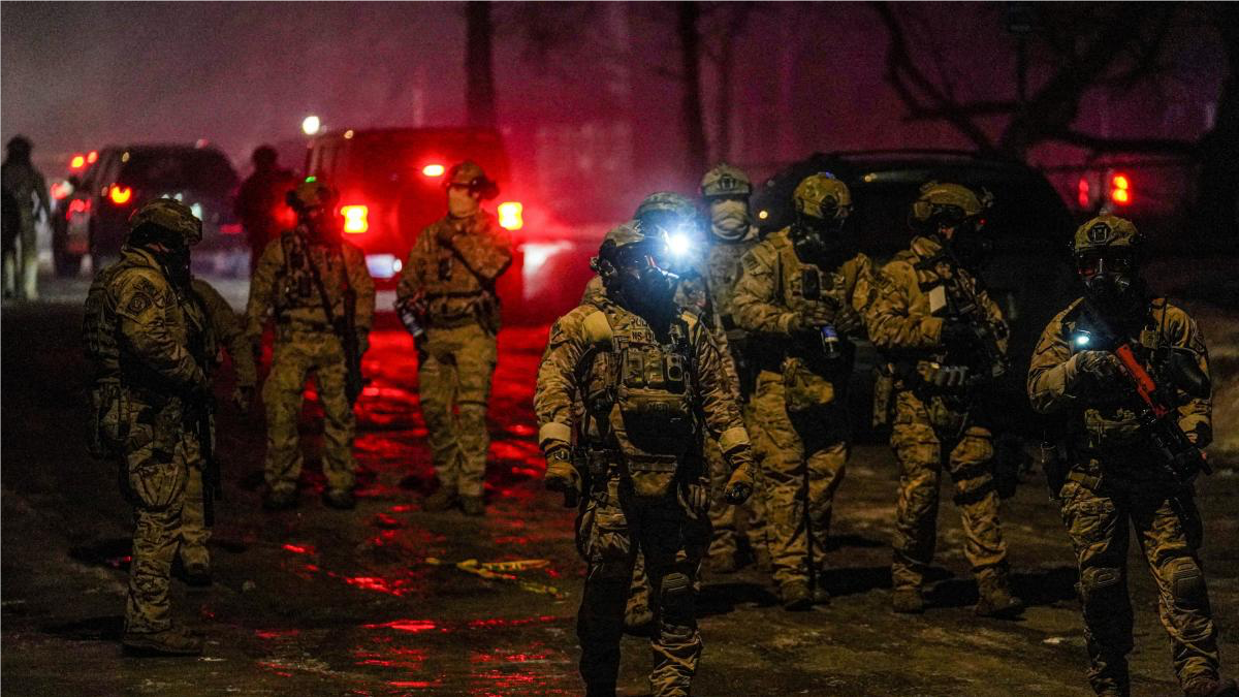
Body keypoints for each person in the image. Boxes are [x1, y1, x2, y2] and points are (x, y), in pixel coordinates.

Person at [535, 221, 756, 697]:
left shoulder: (686, 329)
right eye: (640, 260)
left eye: (660, 258)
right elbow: (554, 386)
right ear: (611, 269)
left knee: (676, 594)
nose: (653, 270)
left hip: (676, 487)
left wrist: (740, 457)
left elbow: (717, 398)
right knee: (605, 595)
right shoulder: (586, 325)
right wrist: (558, 453)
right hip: (613, 485)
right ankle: (600, 686)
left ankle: (673, 689)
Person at [1028, 215, 1238, 697]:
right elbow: (1039, 391)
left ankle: (1198, 675)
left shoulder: (1169, 323)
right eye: (1091, 264)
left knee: (1182, 576)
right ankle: (1109, 681)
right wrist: (1078, 370)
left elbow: (1195, 396)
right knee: (1100, 586)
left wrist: (1189, 439)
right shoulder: (1067, 327)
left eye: (1115, 262)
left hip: (1154, 472)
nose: (1102, 274)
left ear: (1135, 263)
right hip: (1092, 476)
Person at [864, 181, 1022, 618]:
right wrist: (939, 331)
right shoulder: (901, 272)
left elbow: (995, 331)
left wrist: (987, 350)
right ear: (943, 225)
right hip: (916, 397)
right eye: (968, 224)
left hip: (966, 397)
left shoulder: (964, 276)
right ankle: (908, 579)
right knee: (922, 491)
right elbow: (880, 328)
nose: (975, 234)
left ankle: (992, 583)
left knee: (979, 487)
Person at [731, 173, 876, 609]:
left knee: (822, 484)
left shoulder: (854, 262)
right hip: (778, 383)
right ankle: (792, 574)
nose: (825, 236)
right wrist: (792, 322)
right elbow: (743, 307)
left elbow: (878, 310)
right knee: (784, 481)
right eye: (817, 225)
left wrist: (857, 320)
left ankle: (812, 566)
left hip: (829, 388)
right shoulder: (771, 254)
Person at [83, 199, 210, 655]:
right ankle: (149, 623)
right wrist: (195, 377)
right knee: (158, 519)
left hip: (135, 413)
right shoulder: (141, 281)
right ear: (159, 242)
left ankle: (148, 619)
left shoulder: (121, 277)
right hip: (146, 416)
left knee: (154, 515)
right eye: (178, 243)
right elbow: (151, 344)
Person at [245, 178, 375, 511]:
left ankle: (340, 482)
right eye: (312, 210)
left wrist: (360, 333)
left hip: (333, 342)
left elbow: (363, 292)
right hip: (293, 340)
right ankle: (282, 481)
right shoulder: (281, 250)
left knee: (339, 415)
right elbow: (261, 293)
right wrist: (253, 334)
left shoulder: (345, 252)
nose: (319, 216)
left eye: (323, 210)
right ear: (301, 213)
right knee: (282, 413)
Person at [396, 160, 512, 516]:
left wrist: (460, 240)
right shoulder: (431, 234)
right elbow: (408, 282)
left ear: (477, 195)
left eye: (461, 190)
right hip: (436, 333)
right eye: (451, 189)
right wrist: (414, 317)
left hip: (472, 332)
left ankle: (471, 486)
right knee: (435, 411)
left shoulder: (493, 231)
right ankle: (448, 481)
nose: (453, 196)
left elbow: (493, 266)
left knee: (473, 412)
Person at [695, 164, 769, 573]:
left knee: (764, 454)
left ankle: (762, 536)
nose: (728, 208)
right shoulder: (695, 253)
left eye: (735, 199)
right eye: (719, 200)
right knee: (719, 458)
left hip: (761, 364)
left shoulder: (768, 249)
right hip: (718, 367)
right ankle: (721, 538)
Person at [175, 277, 258, 586]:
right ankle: (159, 551)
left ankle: (193, 548)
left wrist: (246, 380)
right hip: (153, 403)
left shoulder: (199, 295)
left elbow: (232, 334)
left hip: (193, 400)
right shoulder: (138, 290)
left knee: (196, 473)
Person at [0, 136, 51, 300]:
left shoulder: (3, 172)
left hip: (6, 216)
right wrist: (48, 215)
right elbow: (43, 196)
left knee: (7, 250)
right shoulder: (31, 173)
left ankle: (8, 286)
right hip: (24, 214)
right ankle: (28, 289)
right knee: (29, 252)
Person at [235, 145, 296, 273]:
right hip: (265, 236)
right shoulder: (251, 185)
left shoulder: (251, 184)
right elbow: (241, 209)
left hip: (274, 235)